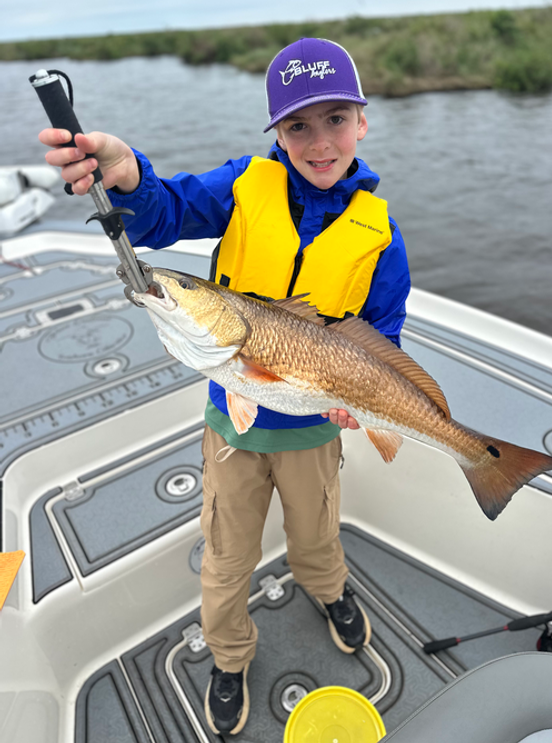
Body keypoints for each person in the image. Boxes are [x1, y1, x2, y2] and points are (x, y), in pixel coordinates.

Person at [39, 37, 411, 735]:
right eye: (298, 126)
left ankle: (329, 594)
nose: (319, 141)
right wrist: (125, 175)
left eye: (335, 119)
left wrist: (363, 401)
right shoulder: (245, 185)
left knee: (317, 537)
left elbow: (382, 342)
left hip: (315, 430)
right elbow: (163, 214)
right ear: (277, 135)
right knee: (226, 558)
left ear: (362, 121)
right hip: (232, 428)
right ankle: (231, 657)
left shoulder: (381, 238)